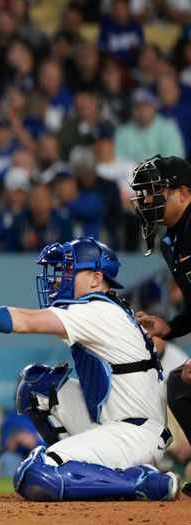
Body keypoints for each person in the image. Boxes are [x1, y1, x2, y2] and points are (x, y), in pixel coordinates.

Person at [0, 237, 177, 501]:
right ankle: (84, 470)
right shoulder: (104, 307)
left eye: (69, 270)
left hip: (134, 435)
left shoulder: (97, 310)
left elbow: (28, 321)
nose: (58, 278)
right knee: (37, 386)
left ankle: (140, 481)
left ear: (96, 279)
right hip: (118, 424)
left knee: (35, 474)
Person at [129, 155, 191, 496]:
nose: (148, 201)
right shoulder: (173, 241)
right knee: (180, 388)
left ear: (183, 193)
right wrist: (170, 327)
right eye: (145, 194)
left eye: (156, 192)